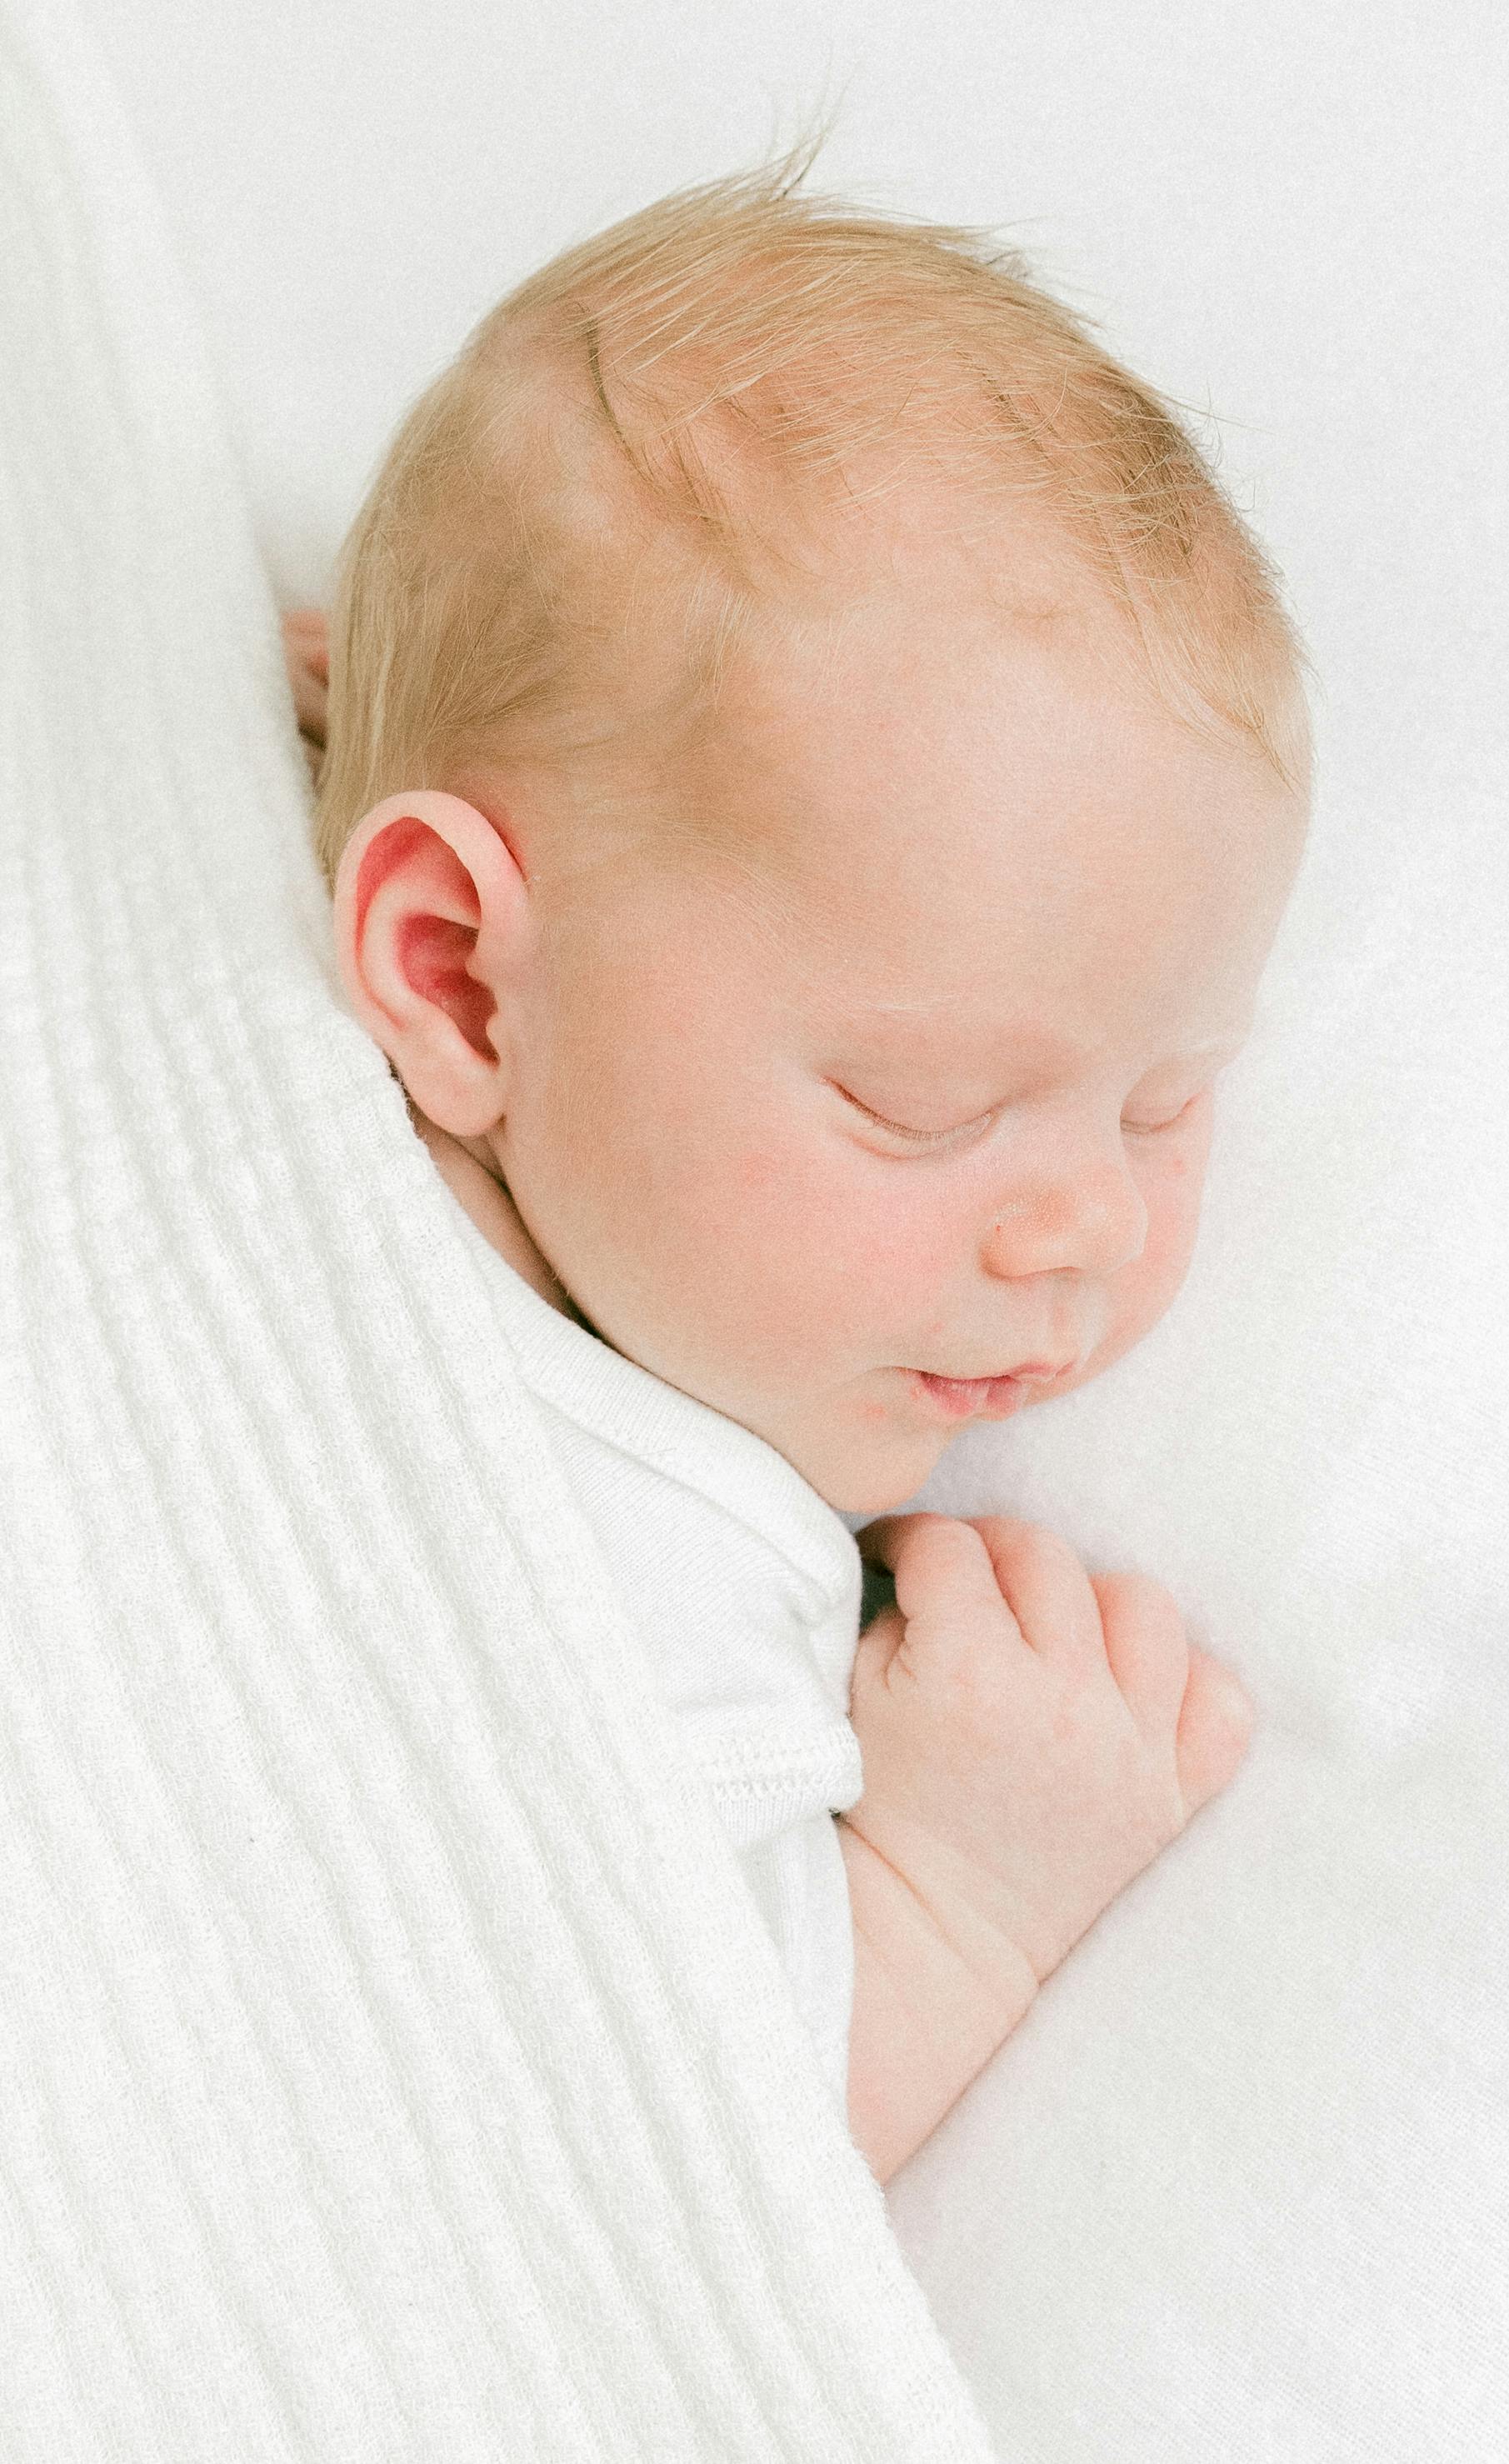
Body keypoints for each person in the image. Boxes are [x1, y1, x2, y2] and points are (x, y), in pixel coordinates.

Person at [292, 152, 1309, 2186]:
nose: (1083, 1231)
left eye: (1163, 1102)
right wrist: (952, 1895)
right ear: (460, 983)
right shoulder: (619, 1536)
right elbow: (652, 2164)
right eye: (926, 1109)